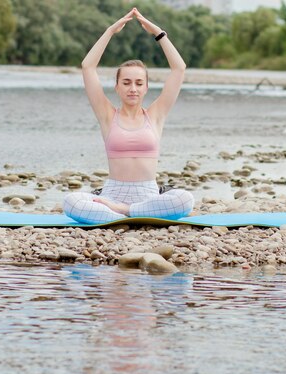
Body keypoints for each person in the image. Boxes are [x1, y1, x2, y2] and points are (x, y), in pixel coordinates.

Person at [63, 7, 194, 224]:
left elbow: (179, 69)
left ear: (145, 88)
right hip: (111, 194)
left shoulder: (156, 115)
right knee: (71, 202)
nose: (132, 88)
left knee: (185, 199)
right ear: (116, 87)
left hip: (149, 195)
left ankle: (123, 212)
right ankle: (129, 214)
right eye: (126, 82)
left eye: (138, 83)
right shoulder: (107, 116)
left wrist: (158, 33)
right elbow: (88, 67)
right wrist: (109, 31)